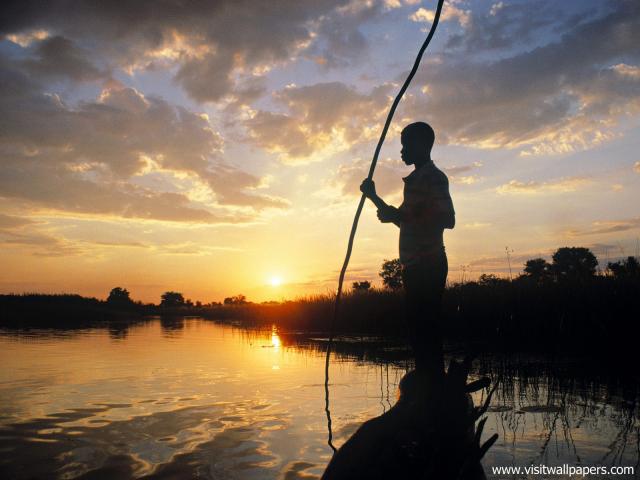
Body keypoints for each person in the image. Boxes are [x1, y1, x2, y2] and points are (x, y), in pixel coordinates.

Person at [360, 122, 455, 382]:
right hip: (414, 266)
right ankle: (427, 380)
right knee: (417, 329)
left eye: (406, 145)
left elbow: (447, 219)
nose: (402, 151)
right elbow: (402, 219)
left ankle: (432, 384)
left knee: (426, 328)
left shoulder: (433, 178)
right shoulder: (415, 181)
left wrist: (405, 216)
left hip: (429, 265)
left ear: (422, 145)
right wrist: (373, 197)